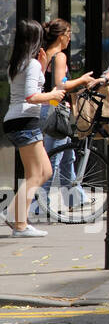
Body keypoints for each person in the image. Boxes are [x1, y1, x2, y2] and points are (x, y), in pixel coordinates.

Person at [37, 19, 102, 215]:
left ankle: (76, 198)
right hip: (55, 109)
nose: (70, 38)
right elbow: (60, 84)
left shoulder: (44, 54)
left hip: (45, 108)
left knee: (67, 156)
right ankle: (38, 204)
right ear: (61, 36)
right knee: (53, 159)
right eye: (68, 33)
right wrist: (82, 79)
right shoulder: (60, 56)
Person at [5, 19, 62, 236]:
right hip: (24, 121)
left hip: (17, 121)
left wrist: (44, 66)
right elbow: (32, 95)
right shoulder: (31, 64)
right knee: (41, 173)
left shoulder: (19, 63)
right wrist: (54, 95)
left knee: (36, 173)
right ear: (34, 39)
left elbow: (31, 90)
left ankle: (17, 218)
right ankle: (17, 222)